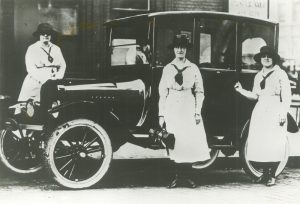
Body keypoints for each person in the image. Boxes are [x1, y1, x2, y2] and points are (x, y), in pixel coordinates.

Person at [158, 34, 211, 188]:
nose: (180, 50)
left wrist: (197, 111)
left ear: (186, 49)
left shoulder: (193, 68)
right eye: (177, 47)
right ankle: (177, 177)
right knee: (175, 140)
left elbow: (199, 91)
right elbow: (163, 93)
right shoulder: (168, 69)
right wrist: (161, 114)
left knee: (187, 141)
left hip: (188, 105)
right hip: (172, 107)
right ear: (174, 49)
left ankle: (186, 177)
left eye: (183, 47)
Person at [234, 46, 291, 186]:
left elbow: (287, 95)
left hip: (275, 109)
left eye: (269, 56)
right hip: (260, 110)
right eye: (264, 56)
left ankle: (272, 175)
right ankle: (265, 174)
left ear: (273, 58)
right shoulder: (258, 76)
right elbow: (255, 96)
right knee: (262, 142)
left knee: (274, 142)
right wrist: (241, 90)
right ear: (260, 59)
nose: (266, 58)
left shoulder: (280, 74)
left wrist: (283, 113)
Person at [18, 23, 66, 102]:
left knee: (53, 106)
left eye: (48, 34)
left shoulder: (56, 49)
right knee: (34, 107)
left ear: (51, 35)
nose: (46, 36)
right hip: (36, 82)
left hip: (53, 81)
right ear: (39, 35)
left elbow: (63, 65)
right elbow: (30, 68)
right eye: (43, 33)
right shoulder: (32, 48)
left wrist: (58, 77)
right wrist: (44, 79)